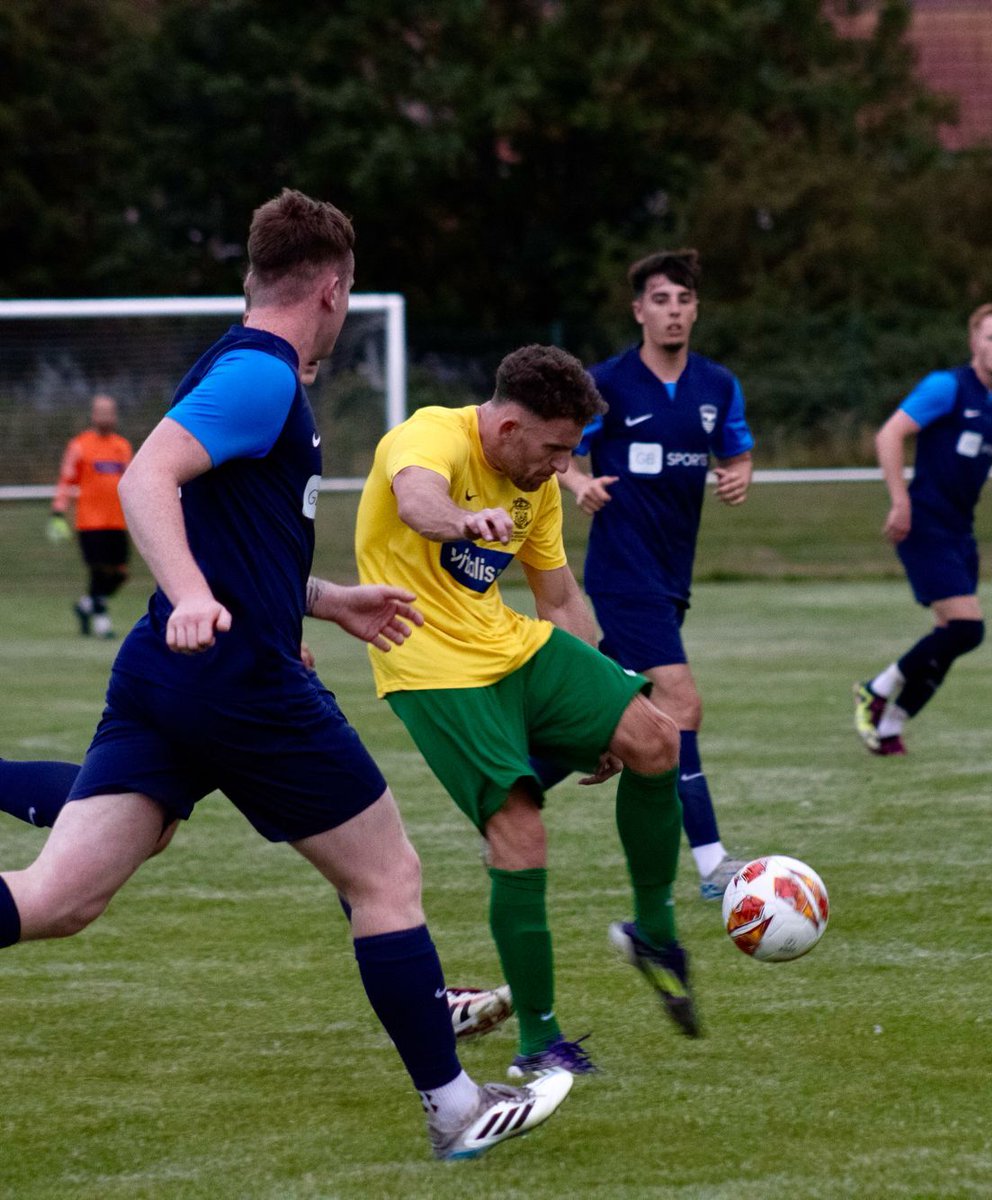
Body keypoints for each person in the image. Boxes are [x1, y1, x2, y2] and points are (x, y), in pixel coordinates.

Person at [0, 189, 569, 1162]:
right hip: (236, 679)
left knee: (57, 898)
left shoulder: (245, 370)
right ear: (334, 291)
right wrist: (187, 594)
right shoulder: (263, 377)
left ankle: (452, 1087)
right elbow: (147, 478)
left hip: (173, 672)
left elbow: (238, 543)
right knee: (388, 876)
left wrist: (328, 599)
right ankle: (457, 1108)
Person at [354, 343, 697, 1080]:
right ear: (508, 427)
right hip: (428, 664)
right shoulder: (429, 435)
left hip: (508, 644)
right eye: (555, 449)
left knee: (655, 737)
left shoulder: (534, 481)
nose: (561, 466)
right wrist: (461, 522)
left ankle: (655, 932)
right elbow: (417, 496)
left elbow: (560, 597)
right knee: (520, 831)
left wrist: (603, 700)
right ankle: (539, 1043)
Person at [0, 749, 513, 1043]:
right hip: (225, 673)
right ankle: (445, 1070)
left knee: (367, 855)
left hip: (241, 662)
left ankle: (431, 1016)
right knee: (70, 890)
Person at [560, 249, 754, 900]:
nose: (674, 312)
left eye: (684, 301)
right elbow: (557, 451)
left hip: (673, 574)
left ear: (696, 310)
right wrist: (578, 482)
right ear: (639, 309)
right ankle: (711, 864)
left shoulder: (717, 385)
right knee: (681, 704)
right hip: (622, 570)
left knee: (597, 713)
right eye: (661, 300)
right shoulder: (607, 383)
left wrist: (738, 477)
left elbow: (738, 450)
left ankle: (508, 790)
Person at [853, 303, 992, 755]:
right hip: (924, 523)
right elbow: (889, 435)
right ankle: (877, 690)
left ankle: (890, 727)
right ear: (974, 343)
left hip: (962, 531)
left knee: (949, 636)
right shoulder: (946, 387)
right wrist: (899, 500)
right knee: (967, 629)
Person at [47, 393, 134, 639]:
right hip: (90, 522)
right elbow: (66, 479)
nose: (106, 416)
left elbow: (132, 480)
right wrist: (58, 511)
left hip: (117, 521)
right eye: (102, 412)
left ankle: (85, 606)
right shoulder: (79, 446)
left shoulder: (122, 446)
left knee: (120, 574)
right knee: (99, 571)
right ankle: (101, 620)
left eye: (110, 412)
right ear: (94, 415)